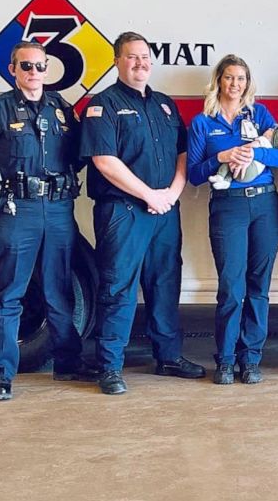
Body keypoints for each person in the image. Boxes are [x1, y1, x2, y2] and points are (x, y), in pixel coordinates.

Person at [0, 41, 93, 401]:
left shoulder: (62, 109)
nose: (34, 73)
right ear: (13, 70)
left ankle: (68, 362)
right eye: (27, 66)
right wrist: (0, 183)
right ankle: (1, 375)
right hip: (18, 211)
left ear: (48, 70)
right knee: (8, 295)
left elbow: (79, 153)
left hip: (59, 209)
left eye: (40, 66)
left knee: (59, 289)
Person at [80, 32, 205, 396]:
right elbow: (104, 160)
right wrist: (149, 194)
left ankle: (168, 357)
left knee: (165, 284)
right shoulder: (102, 105)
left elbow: (184, 154)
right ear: (118, 61)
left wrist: (171, 195)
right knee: (118, 287)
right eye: (132, 57)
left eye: (145, 57)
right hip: (123, 212)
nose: (140, 63)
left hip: (165, 210)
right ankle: (110, 366)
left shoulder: (165, 105)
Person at [187, 54, 278, 385]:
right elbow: (194, 174)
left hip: (264, 206)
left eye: (241, 78)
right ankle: (227, 359)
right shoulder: (203, 121)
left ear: (248, 83)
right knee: (231, 287)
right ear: (219, 81)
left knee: (258, 287)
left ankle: (252, 358)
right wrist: (221, 155)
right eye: (229, 78)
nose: (235, 84)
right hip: (227, 208)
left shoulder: (259, 115)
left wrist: (254, 152)